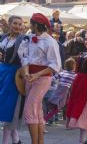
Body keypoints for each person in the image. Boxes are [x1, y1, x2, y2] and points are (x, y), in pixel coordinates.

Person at [18, 13, 61, 144]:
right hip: (29, 77)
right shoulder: (29, 38)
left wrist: (36, 75)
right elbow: (24, 56)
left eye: (31, 23)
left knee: (29, 109)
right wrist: (26, 73)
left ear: (36, 25)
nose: (29, 25)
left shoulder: (50, 41)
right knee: (37, 111)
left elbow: (55, 65)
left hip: (42, 78)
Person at [0, 15, 25, 144]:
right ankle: (16, 140)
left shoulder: (23, 40)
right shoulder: (4, 37)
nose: (18, 26)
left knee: (9, 110)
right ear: (9, 24)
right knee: (4, 108)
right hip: (2, 73)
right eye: (15, 23)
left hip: (14, 75)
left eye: (20, 24)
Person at [44, 58, 77, 122]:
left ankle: (46, 118)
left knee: (57, 107)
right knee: (61, 107)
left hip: (59, 90)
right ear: (74, 66)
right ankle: (45, 119)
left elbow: (53, 79)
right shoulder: (74, 75)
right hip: (65, 91)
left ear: (65, 66)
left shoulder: (62, 73)